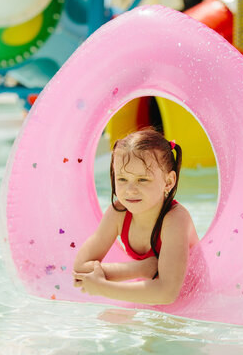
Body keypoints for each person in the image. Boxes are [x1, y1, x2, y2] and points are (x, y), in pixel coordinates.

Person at [73, 128, 199, 305]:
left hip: (191, 300)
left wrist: (102, 287)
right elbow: (80, 268)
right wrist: (142, 268)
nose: (130, 190)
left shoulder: (175, 219)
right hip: (148, 294)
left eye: (143, 180)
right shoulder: (119, 213)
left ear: (169, 182)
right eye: (122, 179)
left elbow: (167, 293)